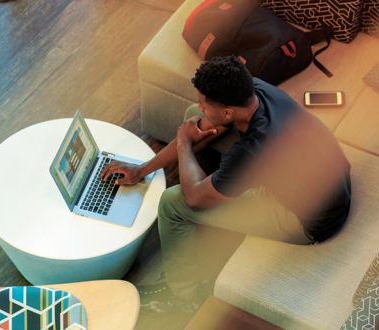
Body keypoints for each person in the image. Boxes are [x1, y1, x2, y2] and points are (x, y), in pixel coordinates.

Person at [101, 55, 351, 314]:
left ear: (229, 112)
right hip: (325, 181)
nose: (201, 107)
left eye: (204, 104)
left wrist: (184, 142)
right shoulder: (253, 90)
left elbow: (194, 199)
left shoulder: (254, 148)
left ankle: (183, 297)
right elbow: (203, 123)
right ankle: (215, 189)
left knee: (173, 203)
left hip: (307, 220)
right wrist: (142, 170)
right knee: (192, 118)